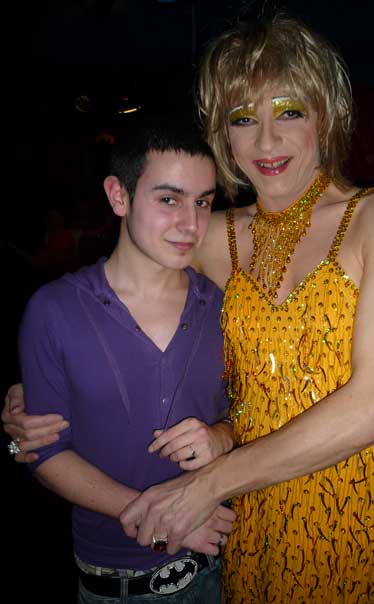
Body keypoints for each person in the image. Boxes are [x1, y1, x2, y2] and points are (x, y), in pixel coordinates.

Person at [3, 15, 374, 604]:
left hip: (352, 518)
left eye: (289, 111)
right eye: (243, 118)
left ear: (326, 114)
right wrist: (38, 391)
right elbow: (115, 296)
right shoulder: (211, 235)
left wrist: (203, 487)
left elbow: (373, 408)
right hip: (245, 526)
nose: (266, 142)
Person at [3, 117, 236, 604]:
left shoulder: (224, 306)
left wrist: (224, 434)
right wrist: (167, 519)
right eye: (169, 200)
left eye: (203, 202)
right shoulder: (55, 310)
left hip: (221, 569)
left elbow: (249, 409)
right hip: (115, 584)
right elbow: (42, 452)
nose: (191, 224)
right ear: (119, 196)